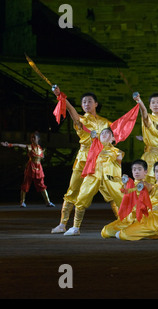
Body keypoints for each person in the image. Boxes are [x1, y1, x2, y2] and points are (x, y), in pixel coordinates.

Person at [51, 88, 118, 234]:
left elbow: (116, 136)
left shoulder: (105, 122)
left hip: (100, 161)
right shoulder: (81, 120)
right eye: (83, 102)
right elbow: (70, 110)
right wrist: (61, 97)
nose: (86, 104)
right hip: (83, 159)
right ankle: (62, 224)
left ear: (96, 104)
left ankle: (124, 222)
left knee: (111, 192)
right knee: (72, 191)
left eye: (89, 101)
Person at [63, 128, 125, 236]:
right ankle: (75, 227)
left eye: (108, 133)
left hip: (109, 178)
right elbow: (91, 138)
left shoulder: (117, 152)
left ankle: (124, 226)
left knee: (120, 199)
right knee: (81, 199)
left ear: (113, 139)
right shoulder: (94, 148)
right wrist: (93, 137)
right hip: (93, 176)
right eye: (103, 133)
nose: (105, 134)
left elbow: (118, 167)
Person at [1, 131, 55, 207]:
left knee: (41, 185)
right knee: (26, 184)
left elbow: (42, 157)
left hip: (39, 168)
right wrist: (9, 145)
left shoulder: (40, 149)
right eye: (31, 137)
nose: (32, 139)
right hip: (31, 167)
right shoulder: (30, 147)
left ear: (38, 139)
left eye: (34, 137)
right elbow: (19, 145)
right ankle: (22, 202)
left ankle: (48, 202)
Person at [101, 159, 149, 238]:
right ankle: (127, 231)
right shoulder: (130, 184)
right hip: (129, 218)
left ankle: (133, 231)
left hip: (142, 218)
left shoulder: (147, 185)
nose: (136, 172)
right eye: (134, 170)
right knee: (106, 231)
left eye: (139, 169)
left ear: (146, 172)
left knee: (124, 234)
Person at [134, 92, 158, 184]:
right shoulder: (148, 119)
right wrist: (139, 101)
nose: (155, 104)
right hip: (150, 156)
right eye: (153, 103)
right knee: (149, 183)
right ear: (150, 106)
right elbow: (143, 112)